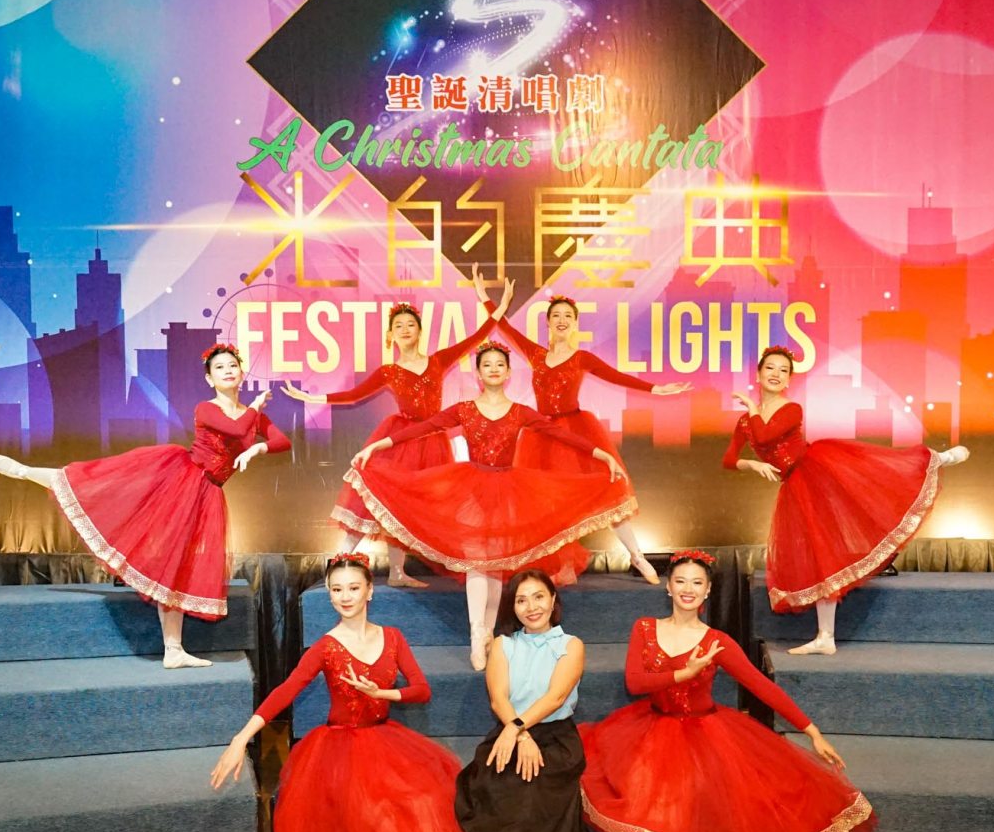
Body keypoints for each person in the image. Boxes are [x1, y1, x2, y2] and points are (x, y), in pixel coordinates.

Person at [579, 550, 874, 832]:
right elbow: (635, 683)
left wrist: (811, 730)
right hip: (651, 726)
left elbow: (761, 686)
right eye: (680, 581)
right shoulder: (645, 628)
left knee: (668, 791)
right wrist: (685, 673)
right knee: (641, 788)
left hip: (703, 734)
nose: (688, 589)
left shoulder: (716, 642)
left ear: (707, 591)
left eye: (696, 583)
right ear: (668, 587)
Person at [209, 555, 486, 832]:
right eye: (337, 589)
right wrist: (241, 738)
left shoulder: (392, 637)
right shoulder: (326, 646)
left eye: (353, 588)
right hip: (340, 751)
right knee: (382, 810)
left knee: (422, 799)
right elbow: (286, 691)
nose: (345, 596)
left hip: (386, 741)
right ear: (329, 594)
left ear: (369, 591)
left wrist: (383, 693)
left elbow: (422, 690)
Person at [0, 343, 288, 667]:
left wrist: (257, 449)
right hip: (182, 480)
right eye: (220, 367)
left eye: (232, 365)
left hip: (209, 492)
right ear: (209, 378)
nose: (228, 370)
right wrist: (255, 406)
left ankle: (173, 650)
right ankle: (29, 472)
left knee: (180, 566)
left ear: (241, 372)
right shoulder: (207, 408)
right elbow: (237, 428)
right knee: (104, 486)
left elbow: (282, 441)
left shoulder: (252, 415)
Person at [348, 342, 630, 669]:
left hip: (508, 491)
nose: (494, 369)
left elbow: (559, 434)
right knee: (476, 564)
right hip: (472, 490)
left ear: (508, 373)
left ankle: (487, 634)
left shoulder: (521, 412)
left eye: (500, 364)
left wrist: (602, 454)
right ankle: (475, 636)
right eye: (487, 365)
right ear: (478, 374)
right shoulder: (464, 409)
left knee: (496, 565)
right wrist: (375, 447)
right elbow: (422, 428)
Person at [725, 345, 969, 655]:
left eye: (783, 370)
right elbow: (729, 459)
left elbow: (762, 436)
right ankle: (825, 637)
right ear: (759, 374)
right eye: (770, 368)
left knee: (872, 477)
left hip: (815, 472)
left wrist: (751, 406)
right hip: (795, 486)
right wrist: (752, 464)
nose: (776, 374)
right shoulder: (746, 421)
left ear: (788, 380)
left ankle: (933, 459)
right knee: (818, 556)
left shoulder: (790, 409)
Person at [279, 270, 514, 588]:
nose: (405, 329)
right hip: (399, 440)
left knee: (413, 509)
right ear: (391, 335)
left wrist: (495, 304)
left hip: (431, 441)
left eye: (410, 324)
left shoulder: (438, 361)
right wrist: (313, 397)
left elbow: (476, 338)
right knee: (376, 499)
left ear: (419, 331)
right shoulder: (389, 371)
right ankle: (337, 564)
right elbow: (354, 394)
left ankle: (397, 572)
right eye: (399, 326)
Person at [486, 293, 690, 584]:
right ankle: (563, 565)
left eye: (568, 316)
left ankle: (637, 555)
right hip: (542, 436)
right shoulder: (536, 354)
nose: (562, 320)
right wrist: (489, 300)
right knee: (551, 506)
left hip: (575, 432)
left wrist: (656, 389)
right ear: (547, 322)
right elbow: (505, 327)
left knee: (608, 491)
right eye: (556, 315)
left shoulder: (582, 358)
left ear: (575, 324)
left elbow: (616, 376)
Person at [454, 569, 588, 832]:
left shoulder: (571, 644)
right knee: (501, 781)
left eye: (539, 596)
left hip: (555, 738)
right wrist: (520, 735)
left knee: (532, 788)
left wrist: (518, 729)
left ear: (553, 599)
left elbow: (555, 697)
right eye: (521, 600)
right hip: (511, 731)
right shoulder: (503, 645)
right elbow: (498, 698)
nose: (532, 607)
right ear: (512, 607)